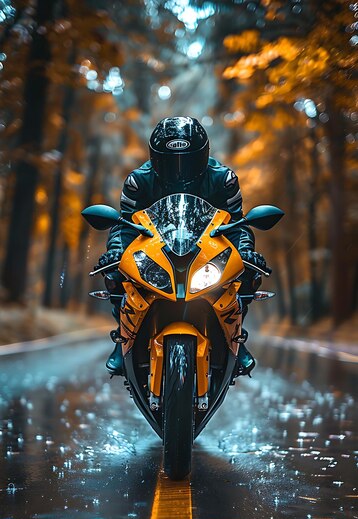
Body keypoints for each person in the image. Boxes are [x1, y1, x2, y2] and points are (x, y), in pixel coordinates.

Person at [95, 116, 271, 377]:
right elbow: (122, 225)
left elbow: (237, 224)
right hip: (154, 249)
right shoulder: (137, 181)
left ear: (203, 155)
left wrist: (244, 251)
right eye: (170, 161)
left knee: (247, 273)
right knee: (115, 273)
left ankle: (236, 339)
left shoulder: (224, 180)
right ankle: (123, 341)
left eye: (187, 160)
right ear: (155, 158)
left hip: (209, 250)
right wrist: (117, 252)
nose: (179, 169)